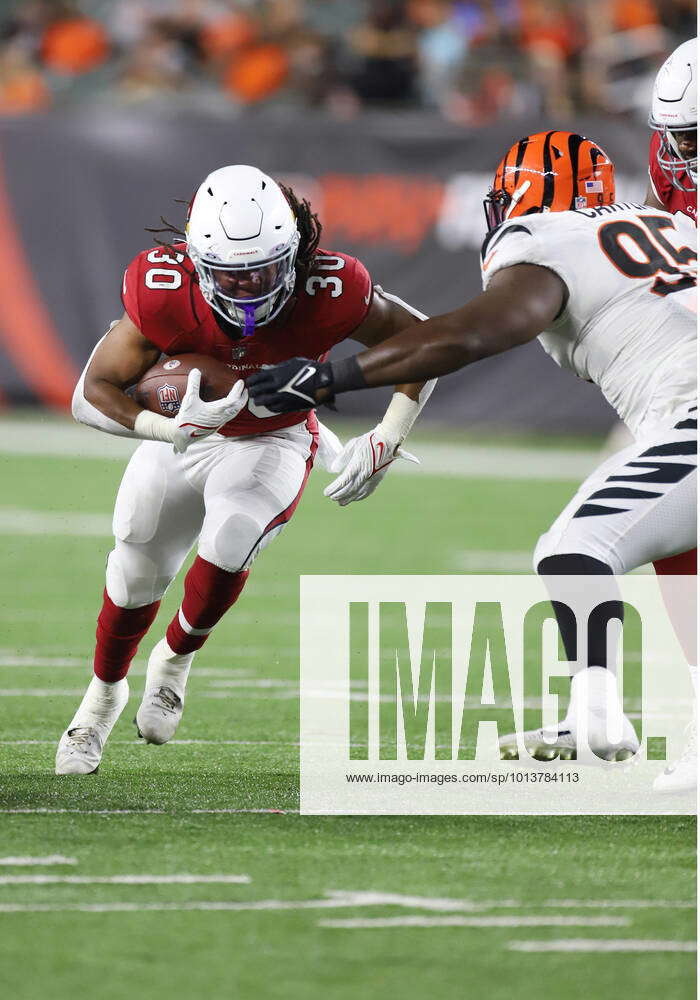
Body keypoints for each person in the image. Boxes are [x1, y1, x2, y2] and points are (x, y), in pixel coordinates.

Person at [248, 131, 697, 766]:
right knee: (680, 550)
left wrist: (331, 376)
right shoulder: (673, 229)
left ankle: (597, 714)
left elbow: (476, 334)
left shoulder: (548, 239)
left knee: (577, 550)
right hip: (680, 414)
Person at [56, 164, 434, 775]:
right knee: (132, 575)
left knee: (231, 539)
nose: (252, 285)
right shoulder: (161, 288)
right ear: (199, 262)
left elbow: (425, 341)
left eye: (264, 267)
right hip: (185, 438)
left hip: (274, 438)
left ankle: (175, 659)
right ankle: (101, 697)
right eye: (233, 274)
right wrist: (165, 427)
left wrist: (387, 437)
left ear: (293, 252)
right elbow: (88, 393)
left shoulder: (331, 286)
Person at [645, 37, 697, 225]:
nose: (683, 144)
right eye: (676, 131)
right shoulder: (666, 147)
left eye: (694, 132)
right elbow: (651, 232)